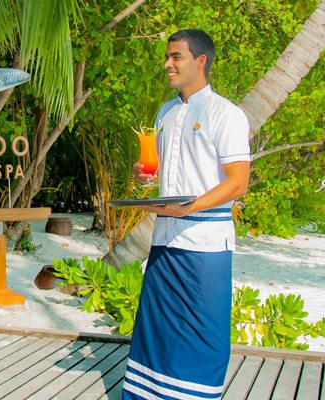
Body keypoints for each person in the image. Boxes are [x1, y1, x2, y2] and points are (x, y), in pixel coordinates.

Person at [122, 29, 251, 400]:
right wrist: (144, 174)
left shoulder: (225, 114)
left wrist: (191, 206)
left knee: (203, 332)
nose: (167, 64)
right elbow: (163, 172)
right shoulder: (165, 112)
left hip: (205, 242)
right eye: (167, 57)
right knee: (158, 327)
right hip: (164, 237)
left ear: (200, 61)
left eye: (176, 56)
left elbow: (238, 182)